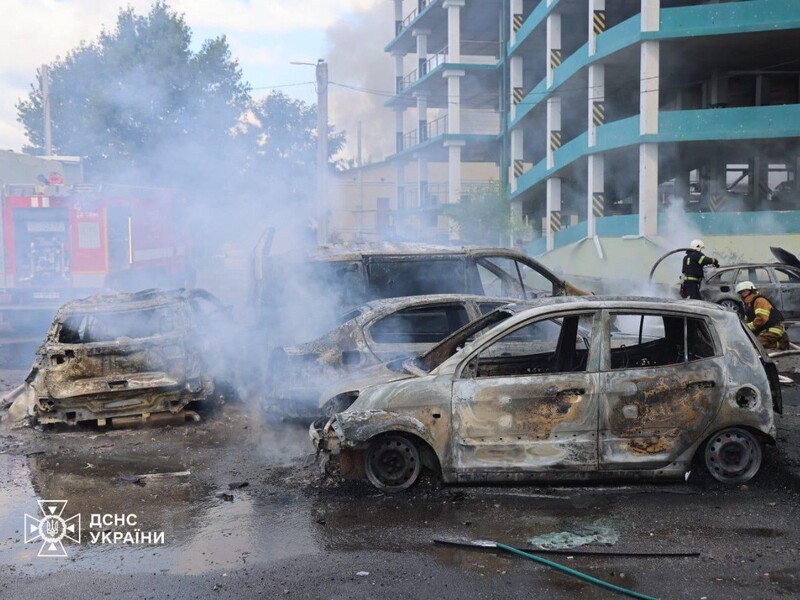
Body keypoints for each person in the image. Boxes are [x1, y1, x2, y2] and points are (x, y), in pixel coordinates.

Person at [736, 280, 790, 350]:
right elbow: (747, 320)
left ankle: (781, 344)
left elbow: (762, 319)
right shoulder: (749, 305)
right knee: (747, 342)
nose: (742, 294)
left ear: (752, 291)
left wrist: (747, 327)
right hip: (763, 329)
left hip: (773, 329)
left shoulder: (760, 301)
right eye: (741, 292)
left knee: (755, 345)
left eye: (744, 291)